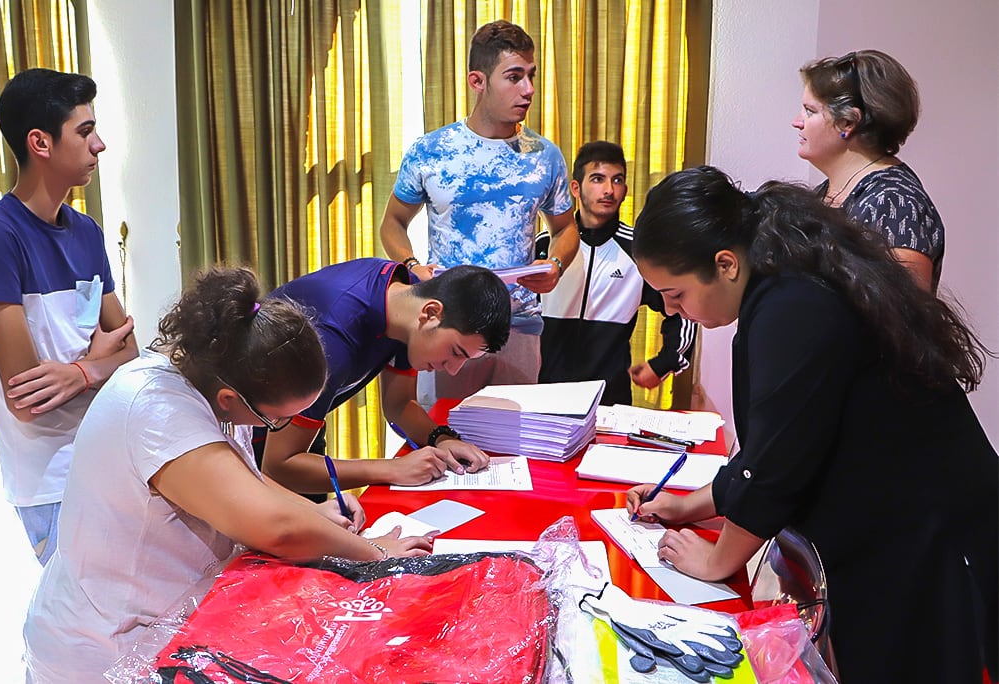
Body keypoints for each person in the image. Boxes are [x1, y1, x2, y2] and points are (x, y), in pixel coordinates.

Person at [626, 166, 997, 683]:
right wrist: (690, 504)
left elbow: (778, 463)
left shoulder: (793, 305)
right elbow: (772, 444)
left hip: (924, 528)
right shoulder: (777, 282)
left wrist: (716, 561)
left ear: (725, 264)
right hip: (895, 515)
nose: (672, 309)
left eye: (677, 293)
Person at [23, 266, 435, 682]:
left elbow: (245, 477)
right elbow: (276, 528)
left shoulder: (215, 380)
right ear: (230, 398)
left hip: (167, 620)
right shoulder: (157, 410)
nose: (275, 429)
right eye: (275, 420)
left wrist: (316, 514)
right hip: (102, 647)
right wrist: (374, 554)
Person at [0, 68, 137, 565]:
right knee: (87, 632)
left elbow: (129, 350)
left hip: (110, 455)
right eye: (85, 132)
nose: (99, 145)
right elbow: (26, 396)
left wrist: (81, 370)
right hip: (50, 480)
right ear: (40, 142)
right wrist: (93, 365)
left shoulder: (87, 231)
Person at [379, 19, 576, 405]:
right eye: (514, 77)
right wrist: (413, 265)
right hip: (447, 325)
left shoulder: (545, 156)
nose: (529, 90)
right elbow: (393, 224)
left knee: (513, 449)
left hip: (518, 325)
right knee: (442, 437)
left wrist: (555, 265)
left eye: (531, 76)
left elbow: (566, 229)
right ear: (477, 81)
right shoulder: (430, 151)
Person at [258, 258, 510, 495]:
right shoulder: (332, 339)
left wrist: (441, 438)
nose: (454, 369)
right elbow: (280, 465)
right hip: (247, 432)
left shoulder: (405, 297)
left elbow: (398, 405)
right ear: (431, 312)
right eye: (456, 352)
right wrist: (392, 469)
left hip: (296, 432)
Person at [535, 141, 696, 405]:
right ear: (575, 188)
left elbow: (685, 308)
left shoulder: (640, 251)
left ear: (625, 190)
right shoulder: (544, 246)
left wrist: (664, 362)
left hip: (610, 400)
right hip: (544, 396)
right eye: (598, 179)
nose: (609, 190)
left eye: (617, 180)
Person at [792, 49, 944, 292]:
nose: (797, 122)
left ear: (848, 122)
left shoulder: (897, 202)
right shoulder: (826, 192)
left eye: (810, 111)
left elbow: (906, 322)